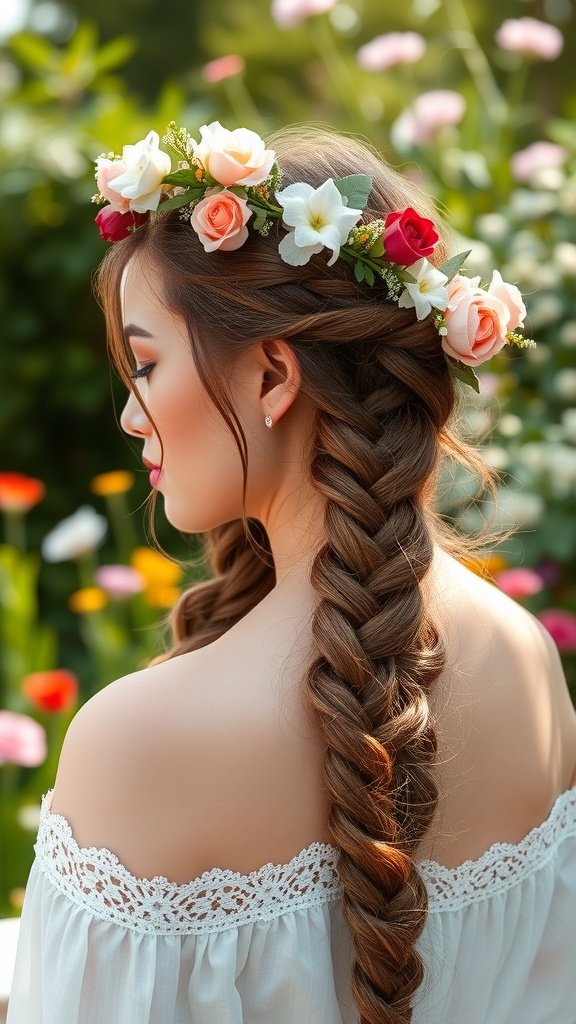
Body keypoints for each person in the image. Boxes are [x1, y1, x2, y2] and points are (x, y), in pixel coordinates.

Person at [7, 121, 576, 1024]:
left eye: (146, 364)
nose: (128, 415)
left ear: (274, 376)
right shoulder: (528, 659)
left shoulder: (139, 743)